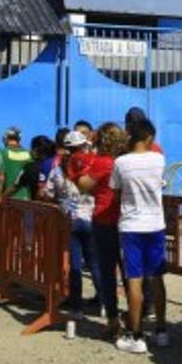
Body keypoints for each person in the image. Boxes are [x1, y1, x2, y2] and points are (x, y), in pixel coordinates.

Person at [111, 117, 168, 353]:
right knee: (157, 278)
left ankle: (136, 334)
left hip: (131, 225)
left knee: (134, 279)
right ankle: (161, 330)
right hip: (155, 224)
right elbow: (162, 185)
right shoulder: (159, 159)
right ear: (149, 138)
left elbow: (116, 191)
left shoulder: (121, 162)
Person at [79, 122, 124, 341]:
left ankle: (113, 319)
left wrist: (84, 163)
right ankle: (136, 320)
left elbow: (83, 184)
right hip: (126, 221)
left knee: (107, 272)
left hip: (104, 218)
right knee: (131, 274)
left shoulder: (102, 162)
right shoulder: (124, 161)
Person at [48, 128, 98, 311]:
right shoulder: (93, 166)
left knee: (74, 263)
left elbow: (48, 193)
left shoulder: (58, 170)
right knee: (94, 262)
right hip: (92, 218)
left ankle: (75, 302)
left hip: (70, 219)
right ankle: (103, 301)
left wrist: (61, 201)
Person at [0, 127, 32, 199]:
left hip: (8, 198)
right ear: (19, 139)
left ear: (5, 138)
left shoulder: (3, 153)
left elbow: (1, 177)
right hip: (26, 198)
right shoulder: (28, 154)